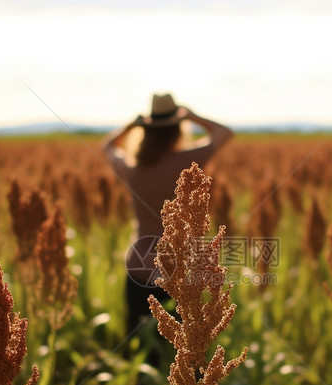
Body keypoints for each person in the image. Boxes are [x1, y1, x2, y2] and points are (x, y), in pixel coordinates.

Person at [100, 93, 234, 359]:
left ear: (147, 131)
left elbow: (107, 146)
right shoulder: (190, 160)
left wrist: (132, 125)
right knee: (182, 352)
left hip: (139, 264)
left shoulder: (132, 167)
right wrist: (192, 115)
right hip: (180, 269)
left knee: (137, 343)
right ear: (176, 130)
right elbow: (224, 133)